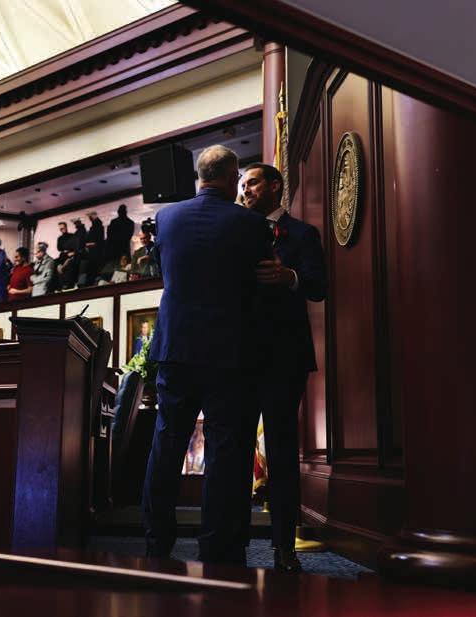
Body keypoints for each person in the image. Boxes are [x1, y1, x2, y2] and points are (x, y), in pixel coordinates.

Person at [141, 144, 272, 566]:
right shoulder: (251, 224)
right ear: (233, 178)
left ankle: (156, 542)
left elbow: (165, 272)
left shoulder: (166, 218)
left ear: (199, 175)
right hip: (229, 351)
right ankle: (217, 548)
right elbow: (260, 284)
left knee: (166, 444)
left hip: (176, 346)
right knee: (224, 452)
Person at [239, 162, 327, 573]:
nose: (245, 190)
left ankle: (283, 548)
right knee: (233, 448)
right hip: (238, 355)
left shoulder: (304, 234)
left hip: (284, 357)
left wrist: (289, 275)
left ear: (275, 186)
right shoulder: (235, 232)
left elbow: (318, 286)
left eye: (253, 182)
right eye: (242, 185)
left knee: (281, 450)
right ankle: (229, 545)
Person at [82, 211, 105, 286]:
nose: (89, 218)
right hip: (94, 252)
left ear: (94, 216)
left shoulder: (98, 226)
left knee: (93, 270)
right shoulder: (96, 226)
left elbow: (98, 241)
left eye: (90, 216)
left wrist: (88, 244)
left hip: (96, 253)